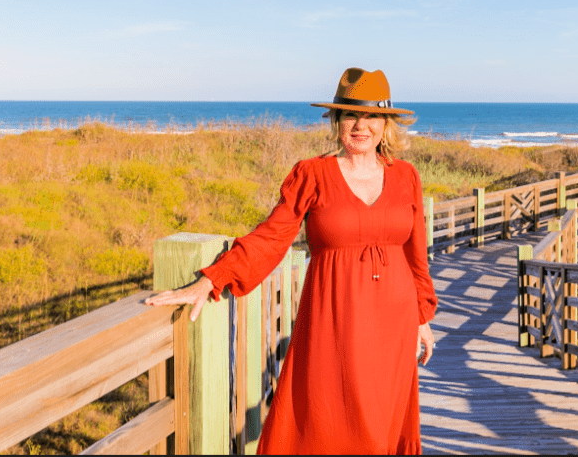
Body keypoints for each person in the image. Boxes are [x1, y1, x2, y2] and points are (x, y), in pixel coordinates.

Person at [146, 68, 438, 454]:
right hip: (335, 322)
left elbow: (416, 255)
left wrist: (422, 319)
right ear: (336, 121)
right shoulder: (312, 174)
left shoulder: (407, 177)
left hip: (394, 325)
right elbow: (272, 237)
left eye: (371, 117)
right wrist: (211, 280)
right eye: (350, 115)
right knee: (329, 421)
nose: (360, 126)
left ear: (386, 124)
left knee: (383, 423)